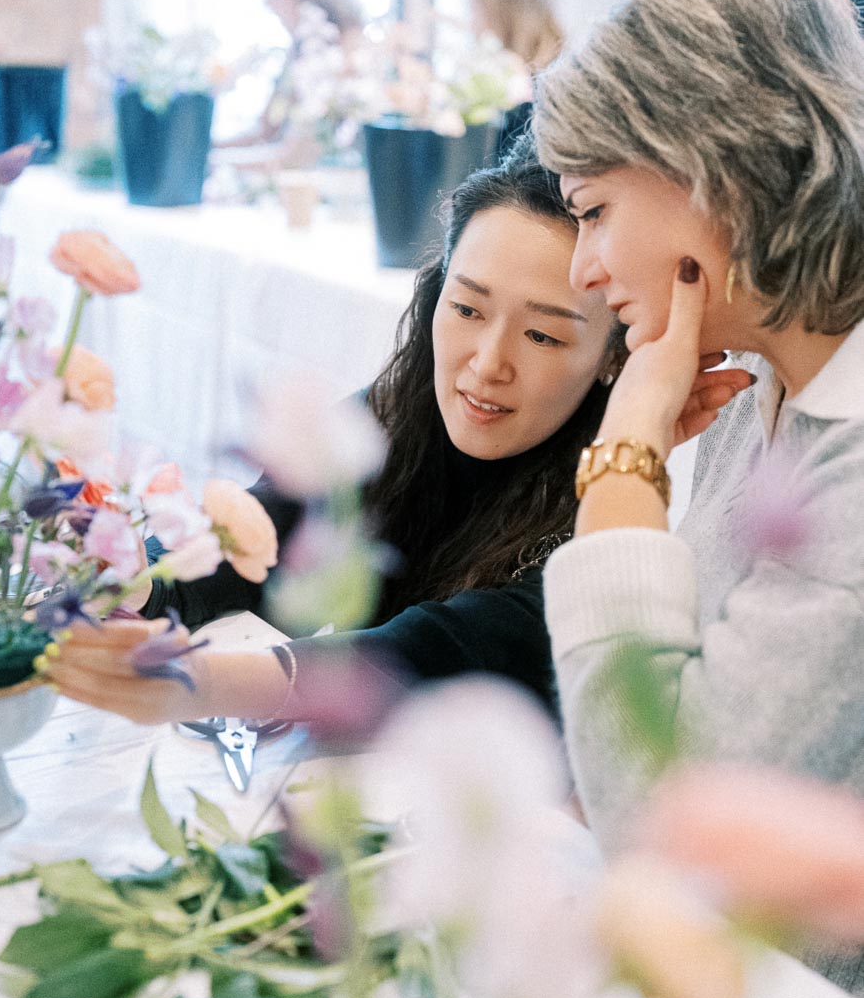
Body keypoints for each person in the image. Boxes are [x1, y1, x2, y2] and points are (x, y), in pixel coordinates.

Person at [534, 0, 864, 995]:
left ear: (710, 168)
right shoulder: (754, 391)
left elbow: (665, 825)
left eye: (592, 210)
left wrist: (623, 460)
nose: (585, 268)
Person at [44, 143, 634, 725]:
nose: (487, 365)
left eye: (542, 337)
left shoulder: (615, 505)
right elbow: (255, 535)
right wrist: (129, 578)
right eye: (467, 310)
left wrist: (198, 682)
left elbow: (431, 653)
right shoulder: (396, 415)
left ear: (613, 355)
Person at [226, 0, 364, 150]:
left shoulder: (349, 54)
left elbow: (298, 154)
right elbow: (266, 130)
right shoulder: (300, 50)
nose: (267, 3)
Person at [467, 0, 565, 162]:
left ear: (503, 11)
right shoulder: (493, 69)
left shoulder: (552, 80)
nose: (472, 22)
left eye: (476, 7)